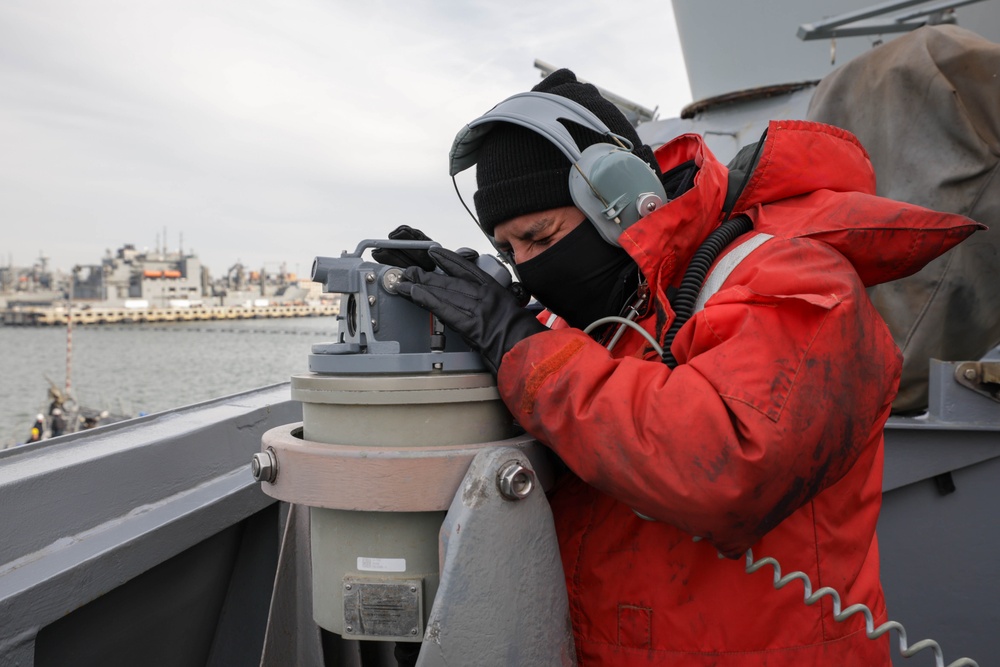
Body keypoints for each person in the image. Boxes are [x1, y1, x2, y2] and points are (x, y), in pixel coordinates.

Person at [393, 69, 982, 665]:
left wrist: (516, 343)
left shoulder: (796, 280)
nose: (530, 269)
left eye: (539, 238)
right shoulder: (592, 317)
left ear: (617, 201)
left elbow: (724, 465)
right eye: (507, 252)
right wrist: (456, 322)